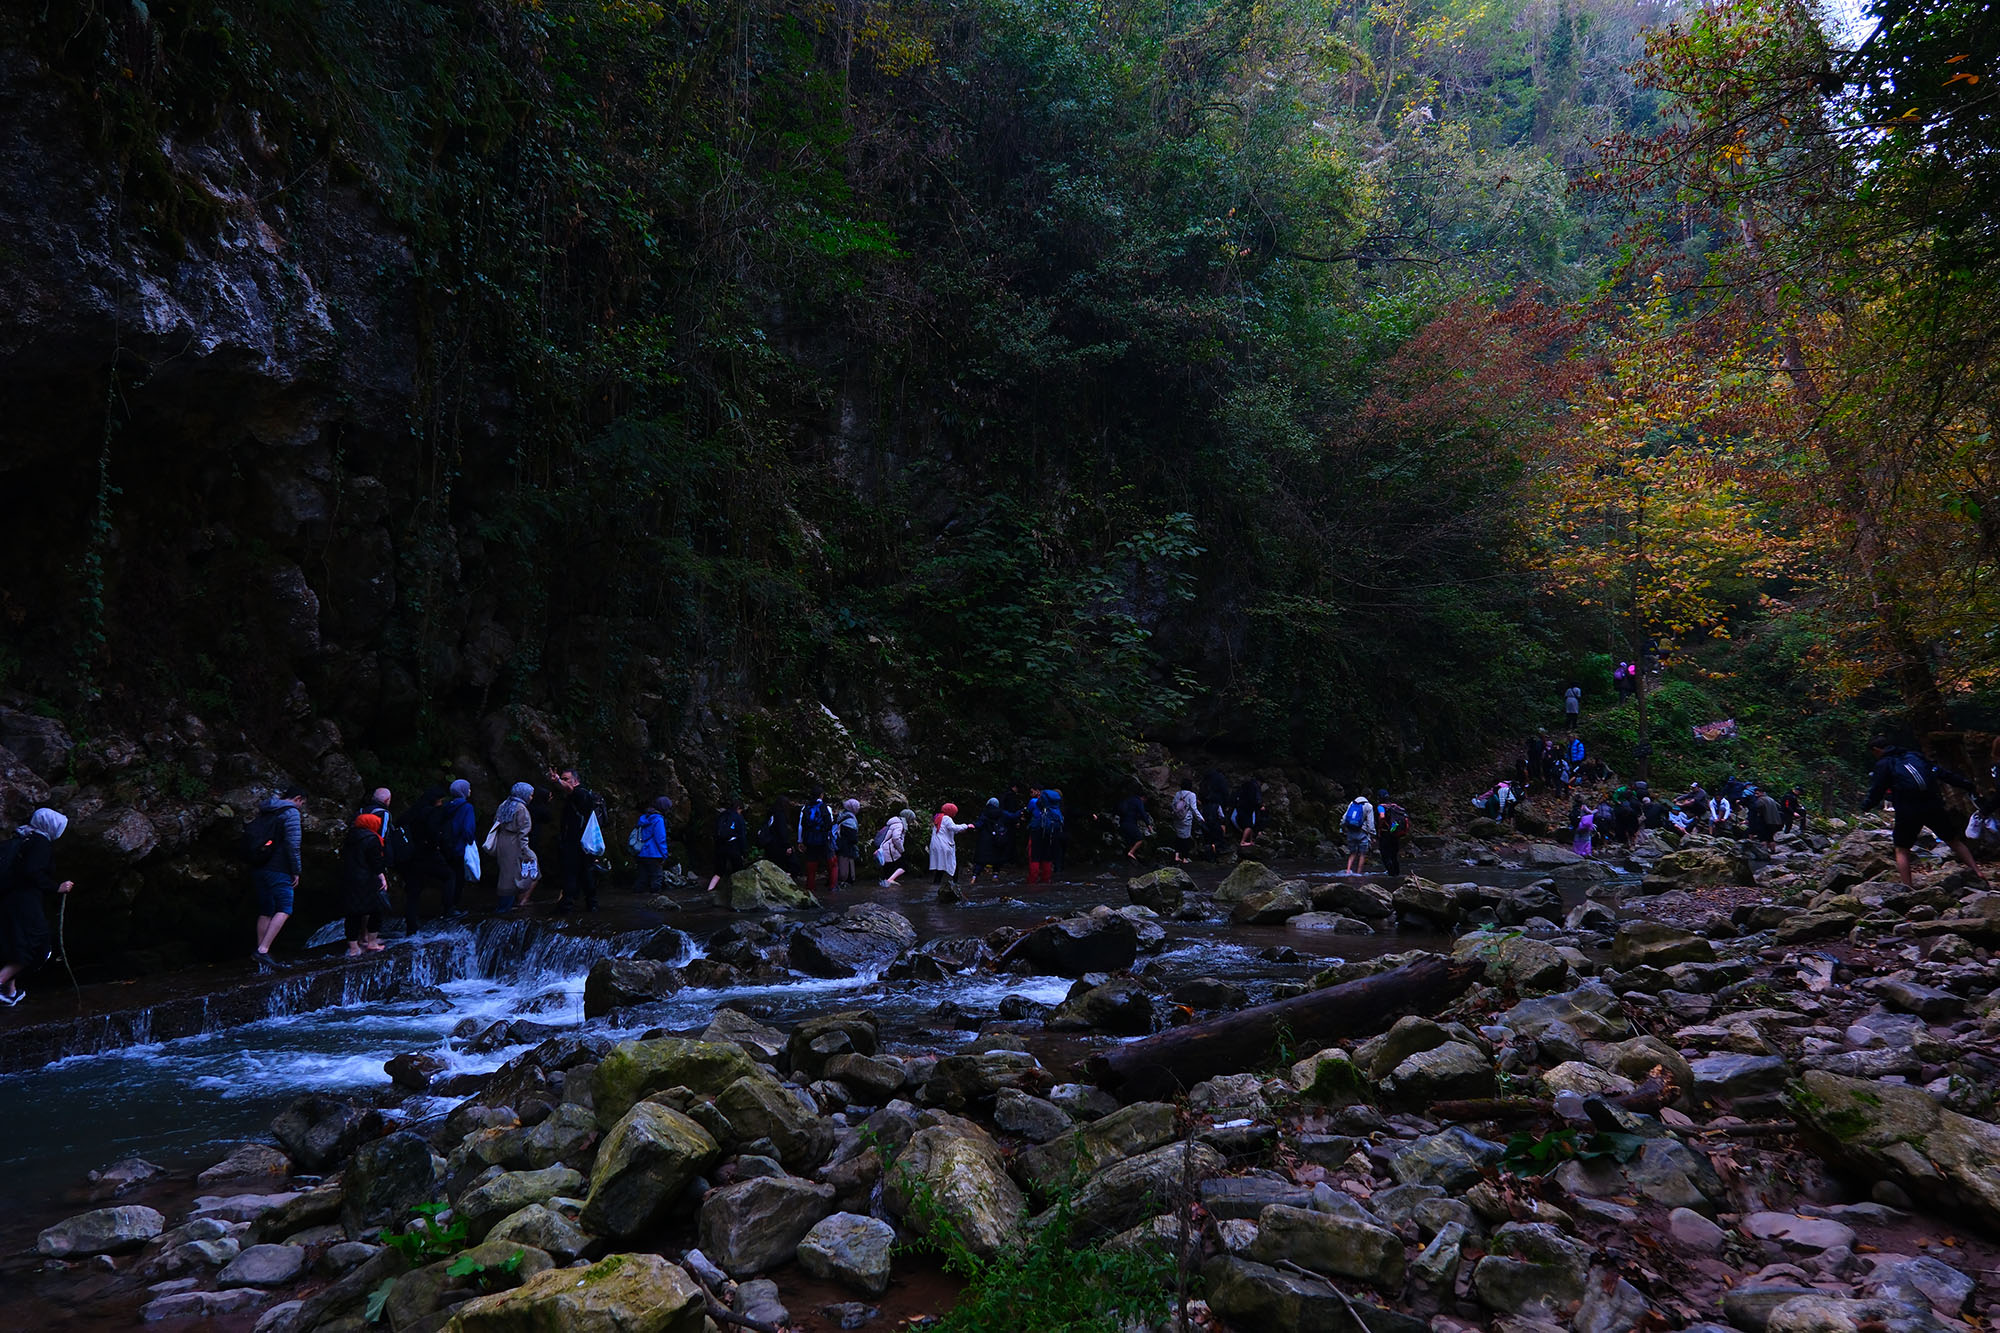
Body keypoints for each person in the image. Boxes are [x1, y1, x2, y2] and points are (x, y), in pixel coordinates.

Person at [1861, 737, 1988, 889]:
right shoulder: (1914, 756)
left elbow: (1877, 790)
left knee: (1902, 849)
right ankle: (1977, 872)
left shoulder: (1884, 764)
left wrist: (1866, 806)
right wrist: (1967, 785)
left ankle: (1908, 888)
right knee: (1953, 841)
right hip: (1933, 806)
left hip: (1908, 810)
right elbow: (1941, 773)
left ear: (1876, 750)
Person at [0, 809, 73, 1005]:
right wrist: (56, 887)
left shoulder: (24, 837)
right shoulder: (40, 843)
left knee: (17, 944)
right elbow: (31, 872)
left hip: (10, 900)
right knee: (38, 946)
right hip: (25, 903)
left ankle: (9, 991)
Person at [251, 787, 306, 961]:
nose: (301, 806)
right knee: (285, 908)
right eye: (302, 803)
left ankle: (261, 951)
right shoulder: (291, 812)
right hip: (279, 867)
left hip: (259, 864)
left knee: (266, 909)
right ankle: (263, 950)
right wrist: (296, 871)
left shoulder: (267, 810)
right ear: (298, 798)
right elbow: (293, 844)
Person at [551, 766, 604, 913]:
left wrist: (557, 781)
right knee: (584, 874)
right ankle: (591, 904)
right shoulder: (576, 796)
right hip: (579, 843)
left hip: (577, 843)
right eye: (562, 778)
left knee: (572, 873)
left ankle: (567, 906)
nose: (563, 781)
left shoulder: (580, 793)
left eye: (566, 779)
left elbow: (569, 789)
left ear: (575, 781)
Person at [400, 786, 452, 933]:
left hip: (410, 856)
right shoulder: (431, 812)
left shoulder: (413, 811)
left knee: (413, 891)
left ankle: (411, 927)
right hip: (426, 854)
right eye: (440, 800)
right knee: (449, 876)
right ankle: (448, 910)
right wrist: (438, 846)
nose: (441, 803)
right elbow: (433, 833)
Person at [359, 787, 409, 931]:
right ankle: (371, 935)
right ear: (387, 800)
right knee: (377, 896)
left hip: (360, 858)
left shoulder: (362, 811)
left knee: (363, 897)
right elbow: (382, 837)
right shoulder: (384, 814)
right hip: (376, 858)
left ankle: (362, 934)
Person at [341, 812, 390, 956]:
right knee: (376, 910)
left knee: (353, 913)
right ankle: (372, 942)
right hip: (367, 880)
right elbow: (375, 861)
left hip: (350, 879)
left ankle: (354, 947)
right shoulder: (372, 839)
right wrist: (382, 877)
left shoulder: (350, 837)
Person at [490, 782, 539, 911]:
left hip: (502, 841)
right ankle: (507, 907)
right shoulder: (521, 808)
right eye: (530, 795)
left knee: (506, 875)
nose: (531, 798)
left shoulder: (504, 805)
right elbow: (523, 832)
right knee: (525, 873)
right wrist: (525, 850)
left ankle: (507, 905)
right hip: (514, 843)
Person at [441, 779, 478, 916]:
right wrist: (470, 840)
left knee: (449, 877)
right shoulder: (467, 807)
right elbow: (468, 829)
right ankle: (453, 907)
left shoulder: (446, 806)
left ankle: (446, 906)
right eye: (468, 788)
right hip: (460, 847)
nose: (470, 791)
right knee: (458, 878)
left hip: (447, 846)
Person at [798, 785, 837, 891]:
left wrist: (800, 841)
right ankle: (833, 886)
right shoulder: (826, 808)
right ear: (821, 795)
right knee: (832, 863)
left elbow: (801, 825)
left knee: (811, 864)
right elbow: (829, 824)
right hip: (824, 839)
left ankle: (810, 888)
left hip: (810, 840)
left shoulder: (805, 808)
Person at [632, 797, 670, 896]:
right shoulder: (658, 820)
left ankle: (637, 897)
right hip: (654, 854)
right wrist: (665, 854)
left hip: (640, 852)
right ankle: (655, 898)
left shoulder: (643, 818)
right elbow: (660, 838)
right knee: (657, 877)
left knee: (642, 877)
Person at [930, 803, 973, 889]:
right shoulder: (947, 818)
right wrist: (966, 826)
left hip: (936, 845)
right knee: (953, 864)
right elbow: (954, 828)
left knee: (940, 866)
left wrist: (961, 830)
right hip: (944, 845)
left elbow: (947, 830)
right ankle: (955, 884)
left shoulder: (938, 817)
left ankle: (936, 884)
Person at [708, 800, 747, 893]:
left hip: (720, 845)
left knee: (718, 871)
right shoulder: (738, 817)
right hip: (733, 846)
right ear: (738, 808)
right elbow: (742, 836)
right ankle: (738, 892)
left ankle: (709, 889)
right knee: (738, 870)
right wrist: (744, 851)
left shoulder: (722, 815)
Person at [968, 799, 1008, 887]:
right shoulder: (1001, 813)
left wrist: (973, 825)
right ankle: (995, 876)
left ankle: (974, 877)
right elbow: (1011, 817)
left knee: (981, 860)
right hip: (997, 839)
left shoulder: (985, 812)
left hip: (985, 840)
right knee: (997, 858)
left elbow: (979, 823)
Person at [1025, 790, 1062, 885]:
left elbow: (1027, 812)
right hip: (1050, 832)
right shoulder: (1055, 807)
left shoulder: (1033, 802)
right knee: (1047, 856)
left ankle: (1032, 882)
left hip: (1036, 831)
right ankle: (1046, 880)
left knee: (1034, 856)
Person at [876, 809, 915, 886]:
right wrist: (902, 850)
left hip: (885, 849)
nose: (912, 822)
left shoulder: (893, 823)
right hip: (891, 850)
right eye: (911, 819)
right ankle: (890, 881)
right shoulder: (899, 824)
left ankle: (885, 886)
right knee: (904, 866)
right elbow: (896, 838)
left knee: (888, 870)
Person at [1199, 770, 1232, 861]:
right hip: (1218, 803)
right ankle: (1218, 847)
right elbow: (1225, 792)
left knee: (1207, 828)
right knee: (1220, 823)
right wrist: (1227, 803)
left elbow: (1201, 790)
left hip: (1206, 805)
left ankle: (1208, 847)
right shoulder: (1221, 780)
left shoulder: (1206, 779)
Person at [1375, 790, 1408, 877]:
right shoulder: (1395, 806)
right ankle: (1397, 874)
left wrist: (1379, 827)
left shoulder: (1381, 807)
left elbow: (1382, 816)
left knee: (1385, 855)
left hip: (1385, 833)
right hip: (1395, 833)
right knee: (1394, 855)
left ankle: (1391, 874)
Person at [1341, 792, 1374, 874]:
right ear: (1369, 796)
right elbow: (1370, 822)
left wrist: (1342, 827)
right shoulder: (1368, 806)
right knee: (1362, 854)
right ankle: (1359, 873)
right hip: (1362, 832)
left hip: (1351, 831)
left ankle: (1348, 871)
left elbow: (1345, 818)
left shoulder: (1352, 804)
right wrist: (1373, 834)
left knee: (1352, 853)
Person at [1169, 783, 1201, 865]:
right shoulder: (1192, 795)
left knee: (1178, 837)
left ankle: (1176, 856)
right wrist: (1200, 818)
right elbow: (1194, 808)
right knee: (1186, 838)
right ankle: (1185, 858)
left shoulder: (1178, 793)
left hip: (1177, 818)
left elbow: (1173, 805)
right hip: (1186, 819)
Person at [1116, 789, 1151, 863]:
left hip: (1122, 822)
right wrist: (1148, 825)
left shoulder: (1129, 799)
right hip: (1130, 823)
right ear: (1144, 797)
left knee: (1130, 840)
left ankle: (1129, 856)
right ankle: (1131, 852)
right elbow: (1142, 813)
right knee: (1139, 839)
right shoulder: (1138, 801)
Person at [835, 799, 862, 887]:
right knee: (845, 868)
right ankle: (844, 883)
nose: (858, 809)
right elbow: (853, 838)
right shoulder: (850, 821)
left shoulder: (843, 815)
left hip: (840, 845)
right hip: (846, 848)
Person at [1233, 777, 1263, 849]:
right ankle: (1243, 841)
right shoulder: (1255, 787)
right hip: (1249, 808)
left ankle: (1251, 840)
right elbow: (1256, 799)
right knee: (1249, 825)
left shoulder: (1244, 786)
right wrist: (1259, 806)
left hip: (1240, 807)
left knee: (1249, 824)